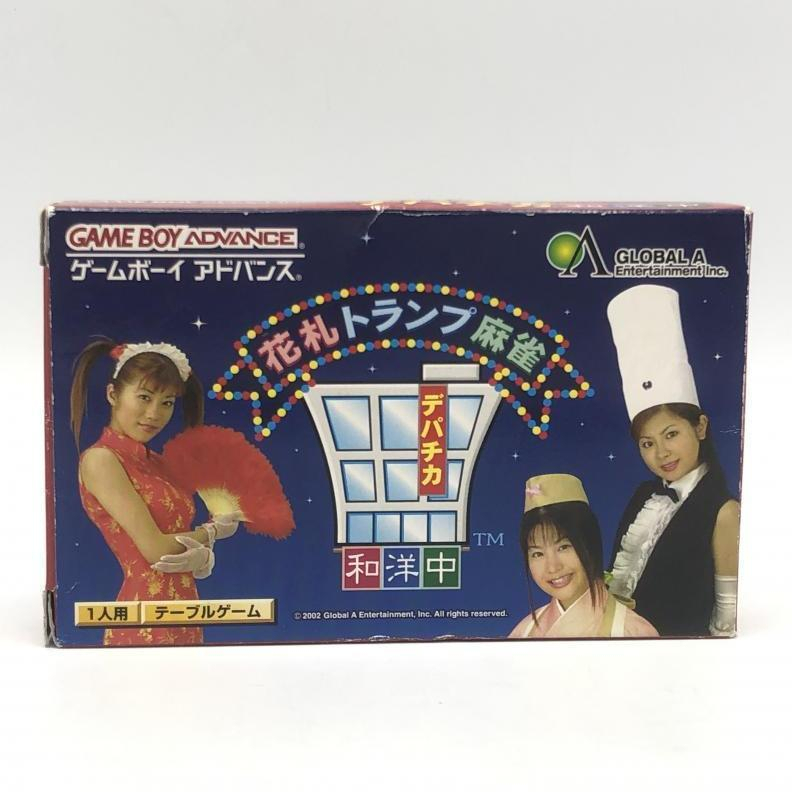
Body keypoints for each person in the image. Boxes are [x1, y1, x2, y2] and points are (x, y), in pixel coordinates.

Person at [71, 338, 240, 646]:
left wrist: (202, 557)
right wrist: (212, 532)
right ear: (113, 394)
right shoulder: (101, 460)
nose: (154, 413)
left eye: (167, 403)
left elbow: (177, 538)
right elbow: (155, 550)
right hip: (144, 618)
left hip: (186, 611)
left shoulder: (159, 464)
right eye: (144, 397)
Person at [607, 285, 740, 637]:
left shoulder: (725, 512)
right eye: (647, 443)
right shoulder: (642, 495)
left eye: (671, 434)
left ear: (700, 427)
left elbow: (727, 620)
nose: (661, 453)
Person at [509, 474, 658, 639]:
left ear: (590, 544)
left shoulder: (633, 632)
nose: (552, 567)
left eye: (564, 547)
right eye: (537, 554)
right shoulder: (523, 632)